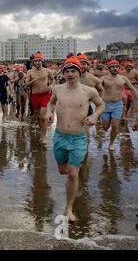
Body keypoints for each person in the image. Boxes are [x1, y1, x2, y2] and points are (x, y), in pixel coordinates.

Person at [46, 57, 104, 222]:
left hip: (79, 138)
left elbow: (101, 105)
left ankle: (69, 208)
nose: (70, 74)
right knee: (63, 170)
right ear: (63, 73)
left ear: (79, 72)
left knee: (72, 174)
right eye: (67, 71)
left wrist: (94, 116)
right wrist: (49, 112)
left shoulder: (89, 91)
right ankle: (73, 185)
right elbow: (51, 104)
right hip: (59, 136)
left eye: (73, 71)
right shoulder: (57, 89)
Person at [100, 60, 138, 151]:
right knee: (105, 127)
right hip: (105, 104)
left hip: (117, 105)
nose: (115, 68)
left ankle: (111, 143)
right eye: (112, 66)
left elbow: (132, 89)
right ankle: (106, 128)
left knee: (115, 125)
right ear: (109, 68)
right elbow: (96, 87)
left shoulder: (123, 79)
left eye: (117, 66)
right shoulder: (103, 78)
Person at [26, 52, 55, 145]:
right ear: (33, 62)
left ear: (42, 61)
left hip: (45, 94)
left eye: (39, 60)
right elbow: (26, 85)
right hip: (34, 95)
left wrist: (51, 86)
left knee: (43, 115)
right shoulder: (30, 72)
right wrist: (32, 81)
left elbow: (53, 79)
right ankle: (42, 133)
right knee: (39, 117)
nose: (37, 62)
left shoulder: (47, 71)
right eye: (36, 61)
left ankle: (43, 136)